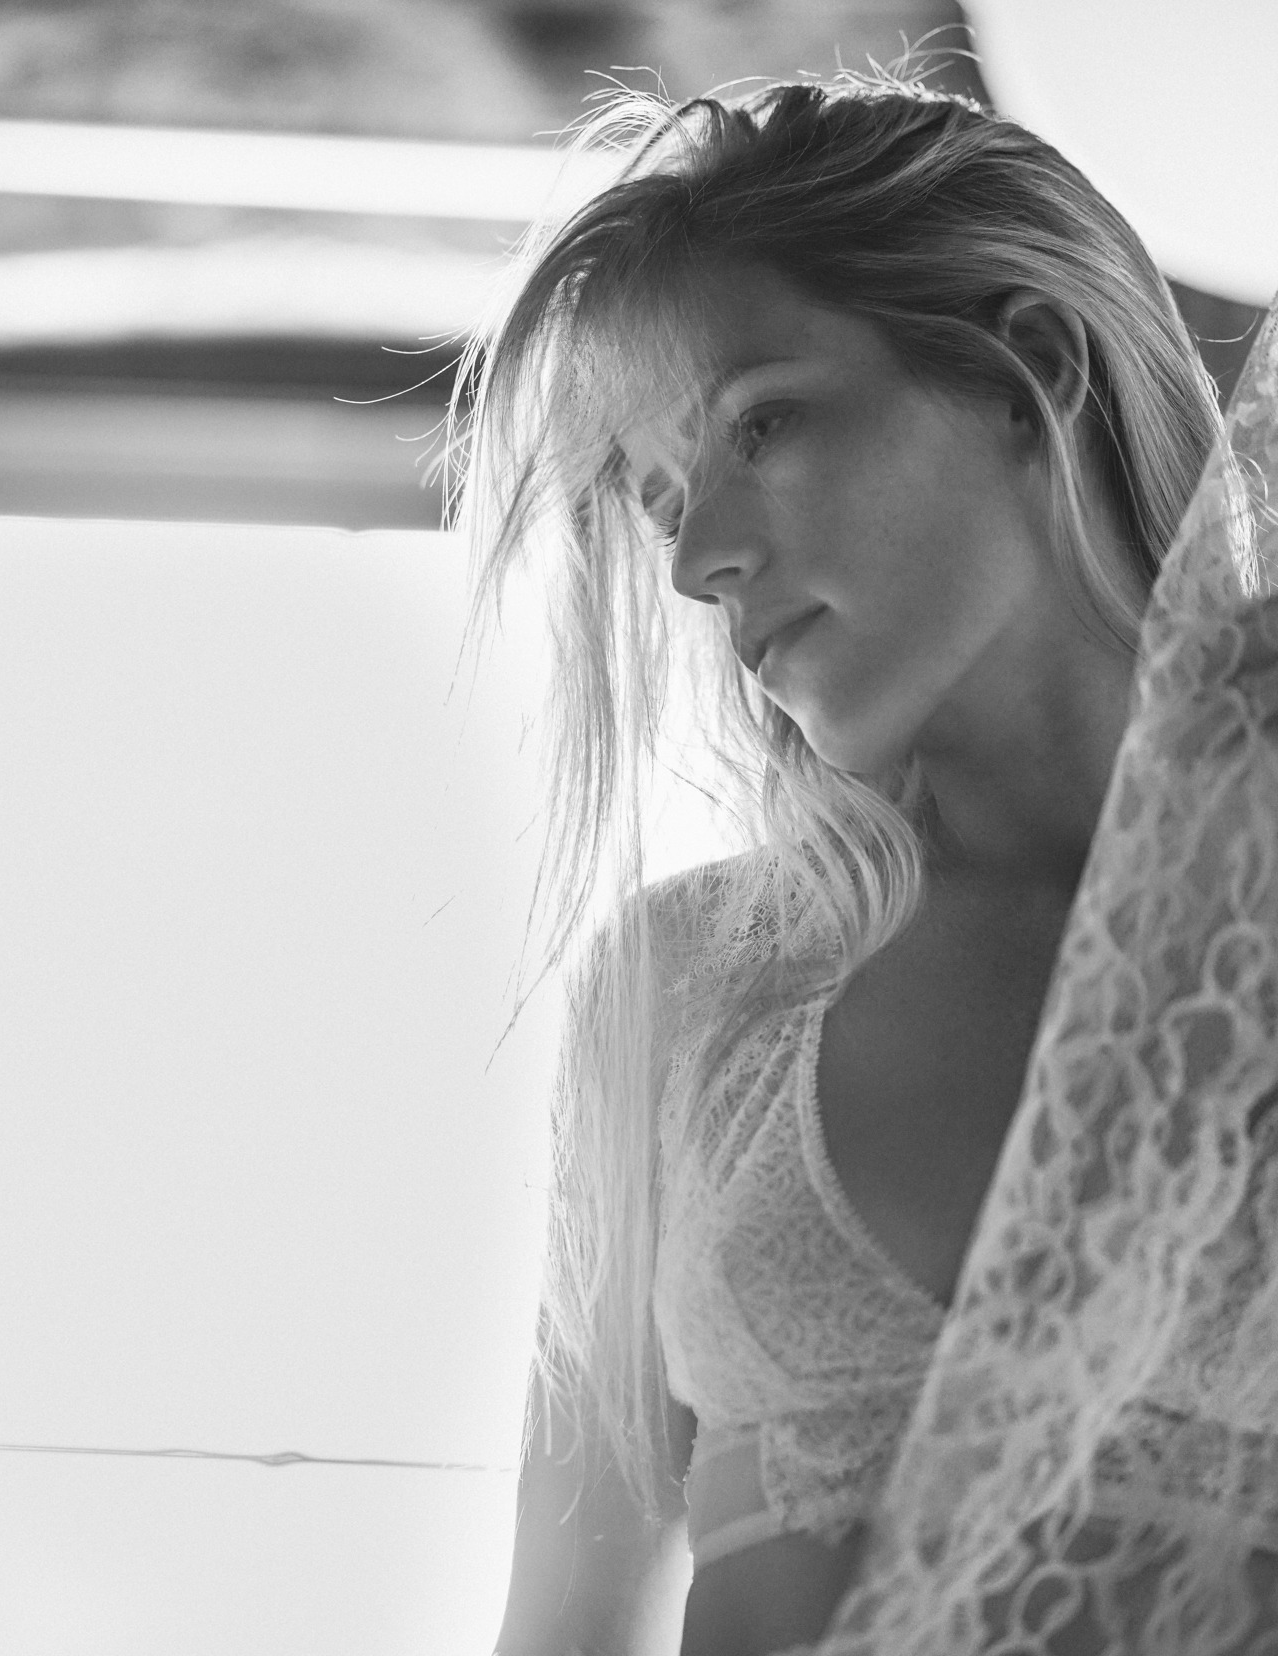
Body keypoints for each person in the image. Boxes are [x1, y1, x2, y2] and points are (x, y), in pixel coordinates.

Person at [451, 69, 1278, 1655]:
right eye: (663, 502)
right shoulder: (689, 985)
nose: (701, 562)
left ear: (1032, 370)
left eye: (760, 424)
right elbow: (559, 1631)